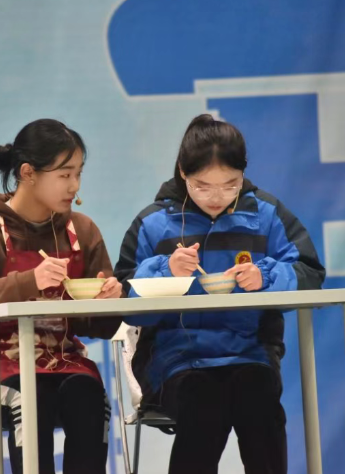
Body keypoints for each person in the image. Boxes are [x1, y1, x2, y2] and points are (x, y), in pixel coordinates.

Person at [114, 114, 326, 474]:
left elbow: (309, 272)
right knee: (204, 401)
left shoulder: (265, 214)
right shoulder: (153, 223)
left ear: (243, 174)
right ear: (183, 172)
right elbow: (124, 299)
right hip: (174, 359)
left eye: (230, 185)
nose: (216, 197)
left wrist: (266, 277)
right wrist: (166, 272)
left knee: (260, 403)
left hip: (251, 353)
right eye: (203, 186)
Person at [0, 118, 122, 474]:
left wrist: (108, 301)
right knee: (31, 396)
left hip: (62, 360)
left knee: (90, 396)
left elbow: (99, 327)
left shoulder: (82, 231)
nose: (75, 185)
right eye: (64, 174)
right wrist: (28, 282)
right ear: (28, 173)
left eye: (79, 173)